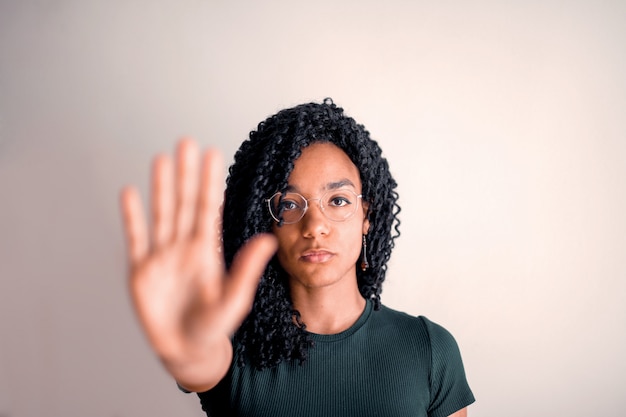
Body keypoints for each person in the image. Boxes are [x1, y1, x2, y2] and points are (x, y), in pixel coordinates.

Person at [120, 99, 475, 416]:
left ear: (367, 216)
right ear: (266, 225)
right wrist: (187, 346)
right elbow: (199, 361)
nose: (315, 226)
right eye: (289, 205)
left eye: (338, 200)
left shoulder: (428, 348)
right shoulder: (233, 347)